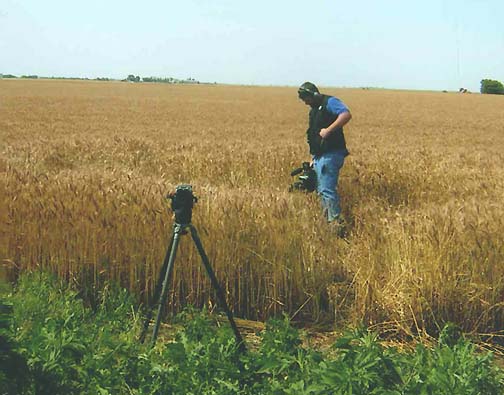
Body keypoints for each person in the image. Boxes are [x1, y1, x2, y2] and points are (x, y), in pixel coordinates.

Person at [298, 81, 352, 232]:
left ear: (314, 94)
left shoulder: (330, 102)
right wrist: (313, 159)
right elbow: (314, 135)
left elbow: (346, 114)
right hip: (320, 155)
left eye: (306, 99)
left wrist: (329, 130)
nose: (306, 103)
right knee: (321, 189)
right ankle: (328, 222)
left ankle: (336, 226)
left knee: (327, 189)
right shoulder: (314, 110)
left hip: (331, 154)